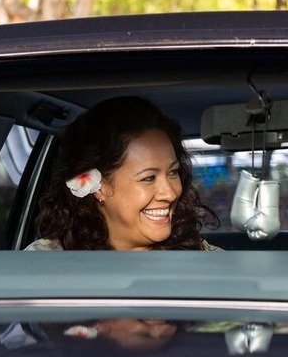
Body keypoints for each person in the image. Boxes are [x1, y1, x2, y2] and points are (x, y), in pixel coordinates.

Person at [27, 96, 219, 251]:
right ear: (97, 185)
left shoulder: (205, 261)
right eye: (149, 178)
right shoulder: (46, 263)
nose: (169, 193)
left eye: (173, 172)